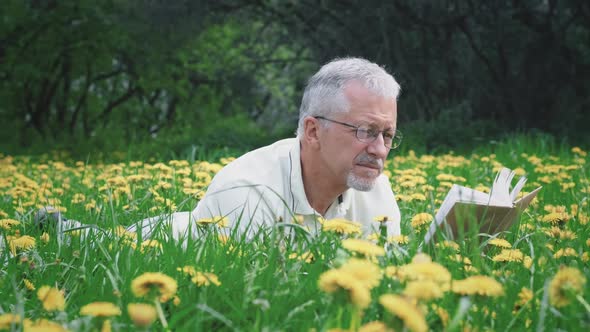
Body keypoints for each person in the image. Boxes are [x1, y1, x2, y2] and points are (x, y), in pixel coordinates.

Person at [36, 57, 403, 243]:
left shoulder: (378, 192)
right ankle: (61, 227)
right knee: (105, 243)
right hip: (161, 240)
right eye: (366, 131)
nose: (379, 150)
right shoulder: (247, 192)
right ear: (312, 130)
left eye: (387, 135)